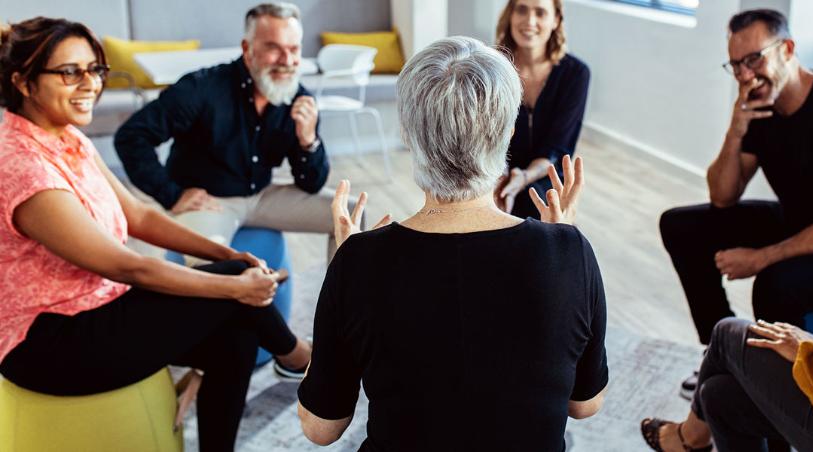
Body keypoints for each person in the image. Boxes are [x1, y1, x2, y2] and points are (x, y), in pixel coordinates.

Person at [0, 17, 314, 452]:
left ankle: (287, 365)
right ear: (24, 82)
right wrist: (231, 282)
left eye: (95, 69)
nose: (90, 83)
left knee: (236, 324)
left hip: (96, 307)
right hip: (50, 344)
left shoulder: (66, 137)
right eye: (71, 72)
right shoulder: (22, 165)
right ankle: (298, 355)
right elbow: (128, 265)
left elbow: (138, 216)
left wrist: (223, 252)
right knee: (234, 298)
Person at [294, 37, 608, 451]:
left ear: (407, 132)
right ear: (509, 131)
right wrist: (560, 245)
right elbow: (584, 404)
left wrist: (344, 277)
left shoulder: (358, 262)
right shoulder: (571, 253)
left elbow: (321, 429)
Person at [642, 25, 813, 451]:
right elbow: (722, 197)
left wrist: (764, 262)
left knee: (754, 307)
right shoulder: (758, 109)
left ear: (787, 49)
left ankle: (697, 423)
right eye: (736, 65)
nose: (745, 74)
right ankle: (728, 367)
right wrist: (735, 128)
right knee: (682, 227)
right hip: (804, 220)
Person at [115, 2, 353, 265]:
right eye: (273, 47)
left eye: (294, 49)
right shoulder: (201, 88)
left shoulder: (299, 99)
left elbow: (311, 184)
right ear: (247, 49)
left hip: (262, 196)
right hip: (210, 201)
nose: (286, 61)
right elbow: (131, 136)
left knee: (350, 215)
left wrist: (309, 141)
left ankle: (341, 303)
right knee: (215, 276)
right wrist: (171, 194)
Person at [493, 0, 590, 219]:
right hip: (498, 168)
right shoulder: (492, 67)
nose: (530, 21)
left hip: (548, 172)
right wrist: (503, 175)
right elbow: (486, 134)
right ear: (510, 14)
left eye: (540, 12)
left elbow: (558, 147)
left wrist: (524, 177)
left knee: (535, 200)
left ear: (556, 20)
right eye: (522, 9)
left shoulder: (575, 74)